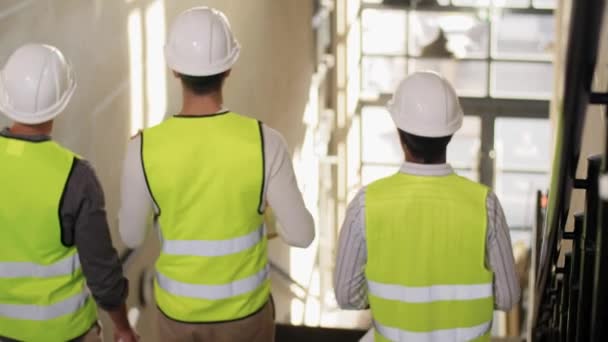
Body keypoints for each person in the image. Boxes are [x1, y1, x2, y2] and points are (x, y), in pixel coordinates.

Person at [118, 7, 315, 342]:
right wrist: (266, 215)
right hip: (245, 316)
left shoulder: (142, 149)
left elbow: (132, 237)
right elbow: (302, 235)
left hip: (177, 315)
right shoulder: (266, 142)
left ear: (174, 69)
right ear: (229, 68)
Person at [334, 71, 520, 342]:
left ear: (400, 133)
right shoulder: (485, 204)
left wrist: (387, 298)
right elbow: (507, 297)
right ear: (451, 133)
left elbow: (347, 296)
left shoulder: (366, 204)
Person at [0, 44, 138, 341]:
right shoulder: (76, 176)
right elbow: (102, 274)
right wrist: (123, 327)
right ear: (62, 100)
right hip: (66, 333)